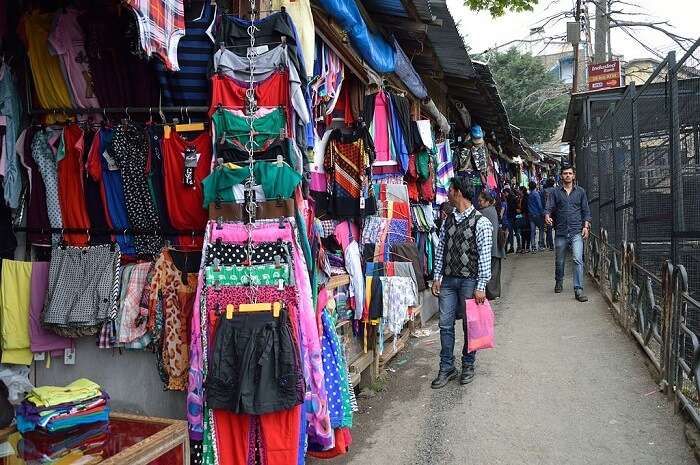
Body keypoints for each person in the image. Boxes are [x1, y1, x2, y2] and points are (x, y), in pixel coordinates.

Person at [431, 177, 493, 389]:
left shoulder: (481, 222)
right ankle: (446, 367)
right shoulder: (448, 219)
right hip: (448, 281)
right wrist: (437, 277)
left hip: (469, 281)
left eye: (450, 190)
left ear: (457, 192)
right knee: (445, 325)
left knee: (470, 325)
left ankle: (468, 365)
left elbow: (485, 256)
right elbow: (441, 250)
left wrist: (481, 286)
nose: (447, 193)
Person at [544, 165, 592, 302]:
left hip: (577, 231)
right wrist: (547, 215)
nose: (568, 176)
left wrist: (586, 226)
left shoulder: (581, 192)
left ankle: (578, 289)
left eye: (570, 173)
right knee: (559, 260)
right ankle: (559, 280)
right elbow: (548, 207)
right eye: (565, 173)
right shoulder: (555, 192)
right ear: (561, 176)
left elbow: (586, 211)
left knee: (577, 259)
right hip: (561, 231)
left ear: (574, 176)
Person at [478, 190, 505, 300]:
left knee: (491, 273)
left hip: (491, 248)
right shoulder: (492, 210)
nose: (479, 203)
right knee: (494, 272)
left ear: (487, 201)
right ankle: (494, 294)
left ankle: (492, 294)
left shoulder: (485, 212)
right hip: (495, 248)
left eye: (481, 201)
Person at [527, 181, 545, 253]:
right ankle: (540, 245)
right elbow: (539, 205)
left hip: (531, 215)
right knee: (541, 229)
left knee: (532, 231)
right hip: (537, 214)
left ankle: (533, 247)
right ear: (535, 186)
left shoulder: (529, 194)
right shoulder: (536, 194)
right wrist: (542, 213)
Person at [515, 186, 530, 253]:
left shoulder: (526, 198)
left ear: (522, 191)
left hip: (526, 217)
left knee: (526, 232)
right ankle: (523, 247)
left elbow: (526, 208)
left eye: (519, 190)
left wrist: (520, 210)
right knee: (523, 233)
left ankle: (527, 247)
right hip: (521, 217)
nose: (518, 191)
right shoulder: (519, 198)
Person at [543, 178, 556, 250]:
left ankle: (551, 245)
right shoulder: (556, 190)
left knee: (549, 229)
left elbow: (542, 202)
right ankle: (558, 244)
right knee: (557, 229)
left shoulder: (544, 191)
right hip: (555, 212)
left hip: (548, 212)